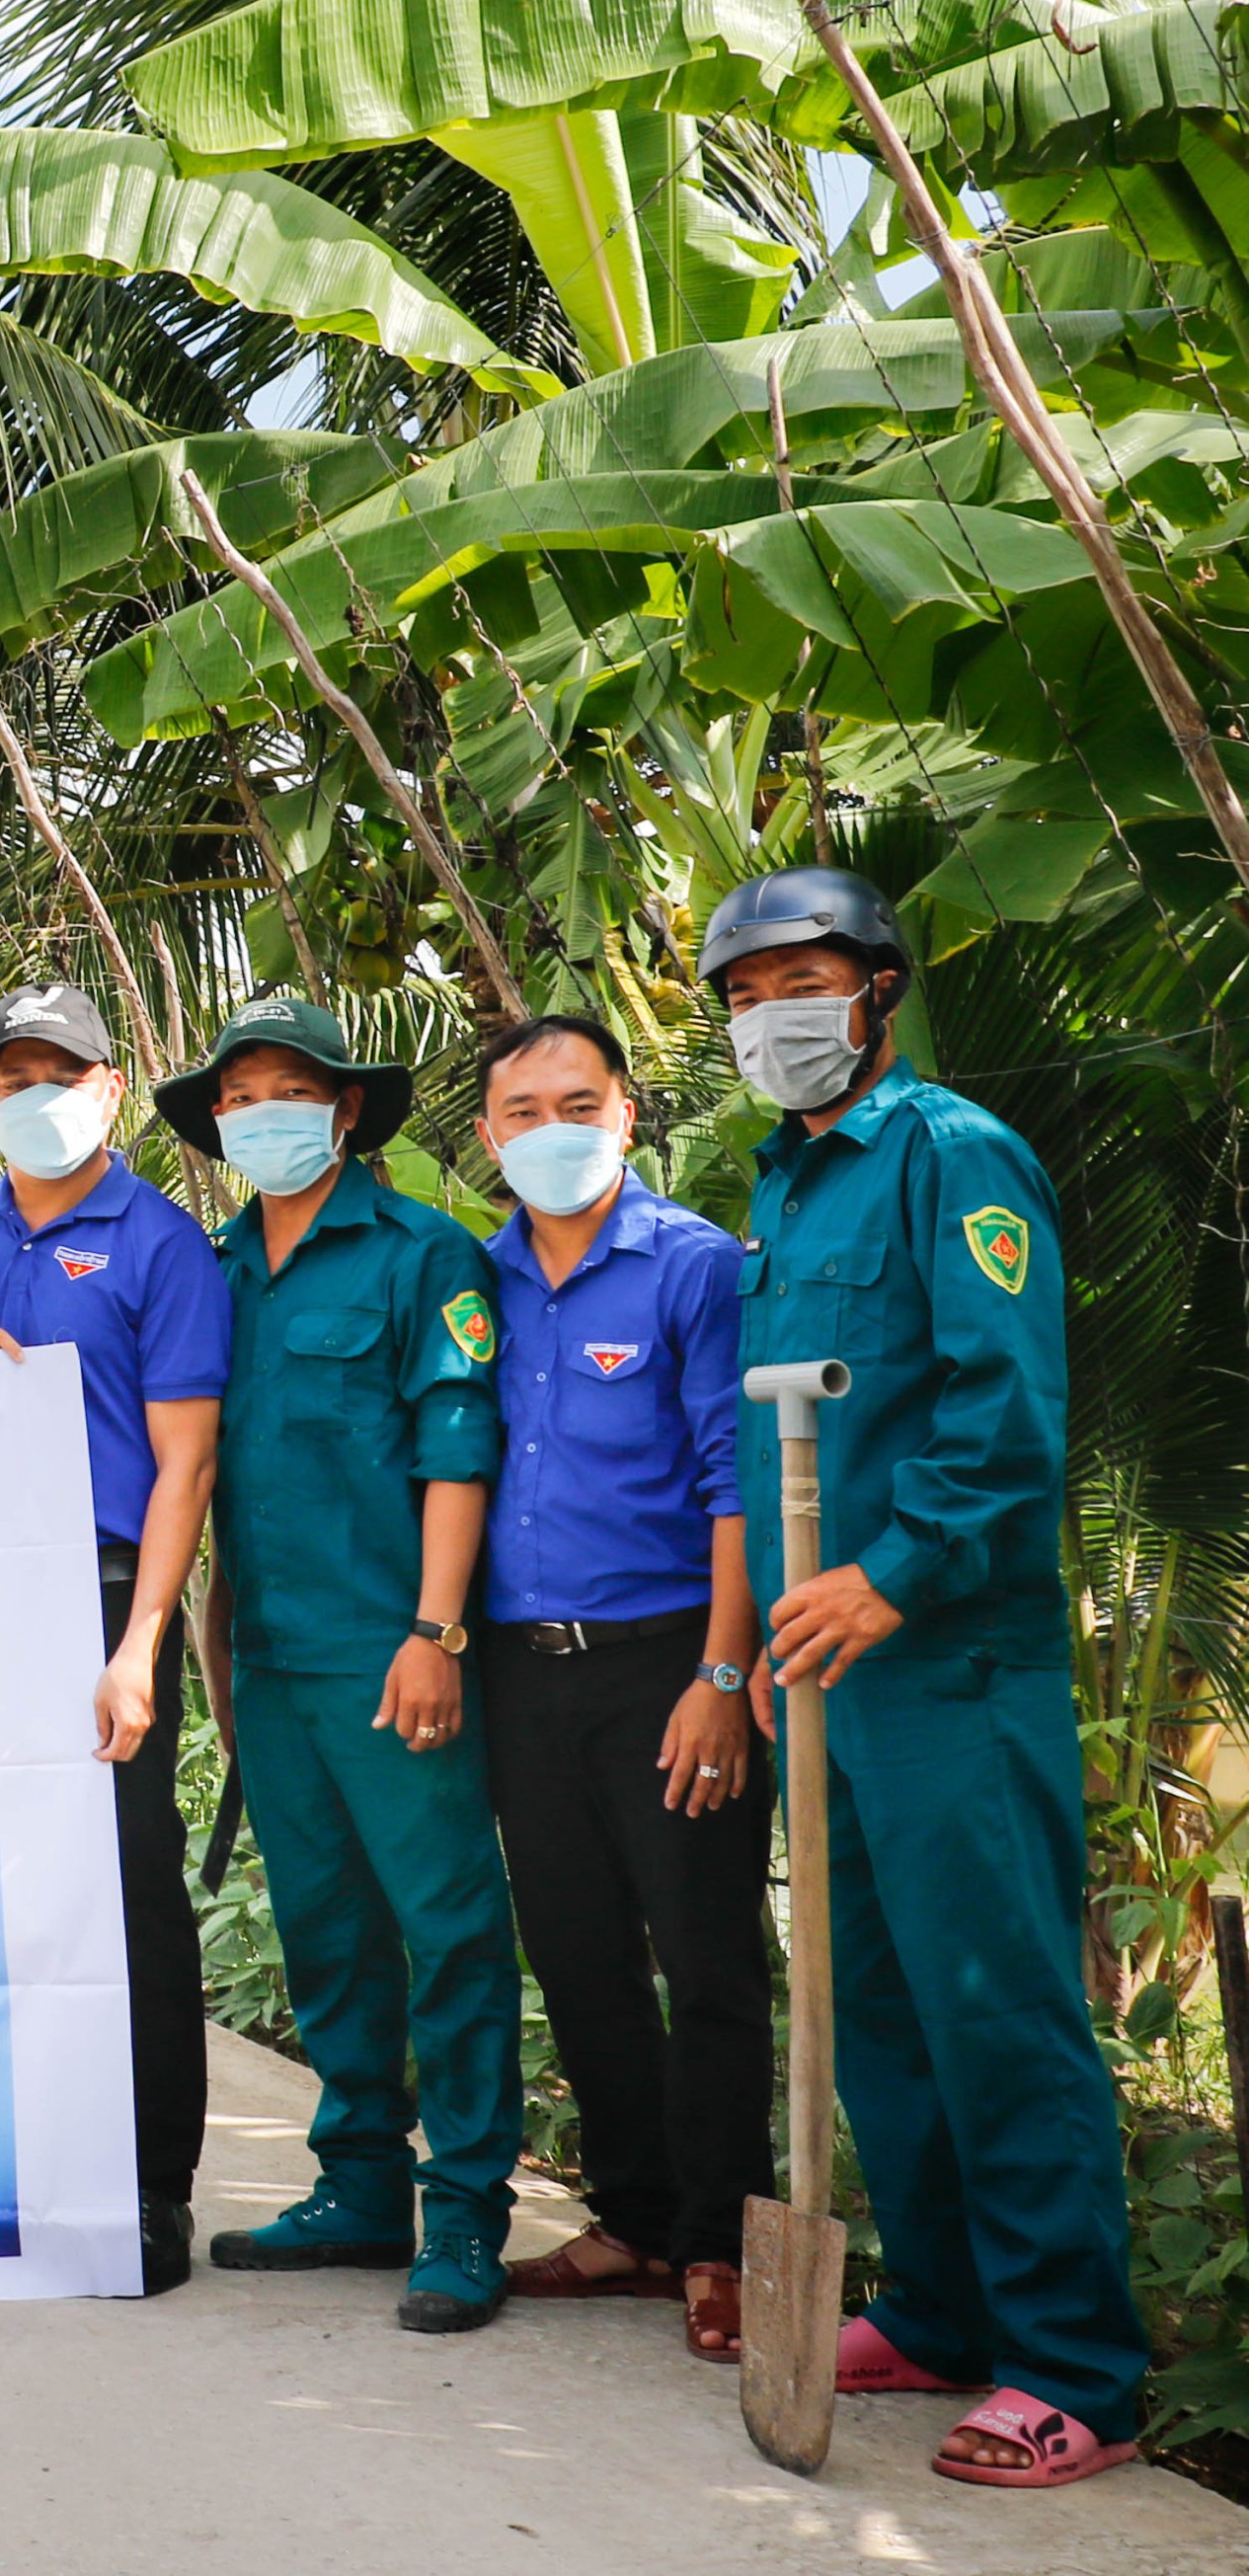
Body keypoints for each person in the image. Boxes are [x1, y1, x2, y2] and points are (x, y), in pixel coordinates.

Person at [707, 865, 1149, 2487]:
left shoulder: (952, 1159)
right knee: (876, 2011)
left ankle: (1076, 2369)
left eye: (803, 979)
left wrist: (885, 1581)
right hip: (825, 1680)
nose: (775, 1015)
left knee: (995, 2012)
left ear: (878, 988)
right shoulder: (788, 1187)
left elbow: (1004, 1418)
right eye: (745, 994)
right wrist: (763, 1632)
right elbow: (776, 1443)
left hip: (952, 1668)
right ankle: (945, 2306)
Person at [164, 995, 523, 2335]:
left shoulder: (421, 1255)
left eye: (288, 1088)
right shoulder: (213, 1266)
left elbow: (454, 1446)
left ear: (347, 1107)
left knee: (445, 1931)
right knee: (325, 1934)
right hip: (269, 1664)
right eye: (239, 1093)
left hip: (393, 1656)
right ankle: (358, 2187)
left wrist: (432, 1632)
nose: (262, 1111)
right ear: (214, 1121)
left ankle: (467, 2215)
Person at [0, 981, 223, 2296]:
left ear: (104, 1087)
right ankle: (16, 2159)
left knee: (133, 1889)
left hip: (98, 1591)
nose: (31, 1096)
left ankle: (150, 2185)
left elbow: (183, 1461)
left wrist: (139, 1643)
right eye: (6, 1075)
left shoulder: (158, 1242)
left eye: (58, 1073)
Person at [467, 1012, 768, 2364]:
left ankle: (718, 2240)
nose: (548, 1131)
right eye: (519, 1111)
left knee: (703, 1959)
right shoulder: (475, 1282)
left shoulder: (692, 1268)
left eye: (572, 1103)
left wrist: (720, 1670)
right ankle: (633, 2218)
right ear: (484, 1136)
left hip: (665, 1662)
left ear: (624, 1115)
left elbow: (734, 1481)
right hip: (522, 1675)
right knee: (576, 1951)